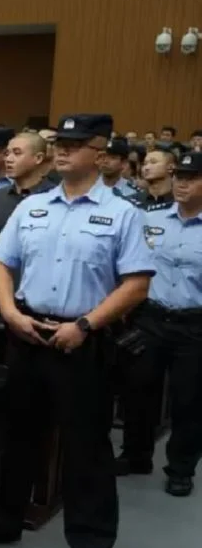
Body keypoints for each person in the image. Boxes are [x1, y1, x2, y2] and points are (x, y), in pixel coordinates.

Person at [0, 114, 155, 548]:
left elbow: (137, 284)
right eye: (61, 142)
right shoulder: (33, 207)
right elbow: (1, 263)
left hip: (83, 340)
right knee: (17, 435)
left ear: (100, 154)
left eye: (76, 143)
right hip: (28, 333)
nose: (63, 150)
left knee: (87, 447)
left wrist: (85, 325)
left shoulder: (123, 213)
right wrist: (10, 313)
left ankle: (91, 544)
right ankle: (5, 520)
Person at [119, 151, 202, 496]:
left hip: (194, 324)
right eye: (179, 177)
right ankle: (136, 454)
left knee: (189, 400)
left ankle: (181, 468)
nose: (182, 184)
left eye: (192, 178)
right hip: (151, 317)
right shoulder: (149, 217)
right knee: (138, 389)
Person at [0, 132, 54, 289]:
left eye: (17, 153)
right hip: (1, 287)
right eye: (7, 153)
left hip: (40, 288)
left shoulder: (54, 198)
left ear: (38, 158)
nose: (8, 159)